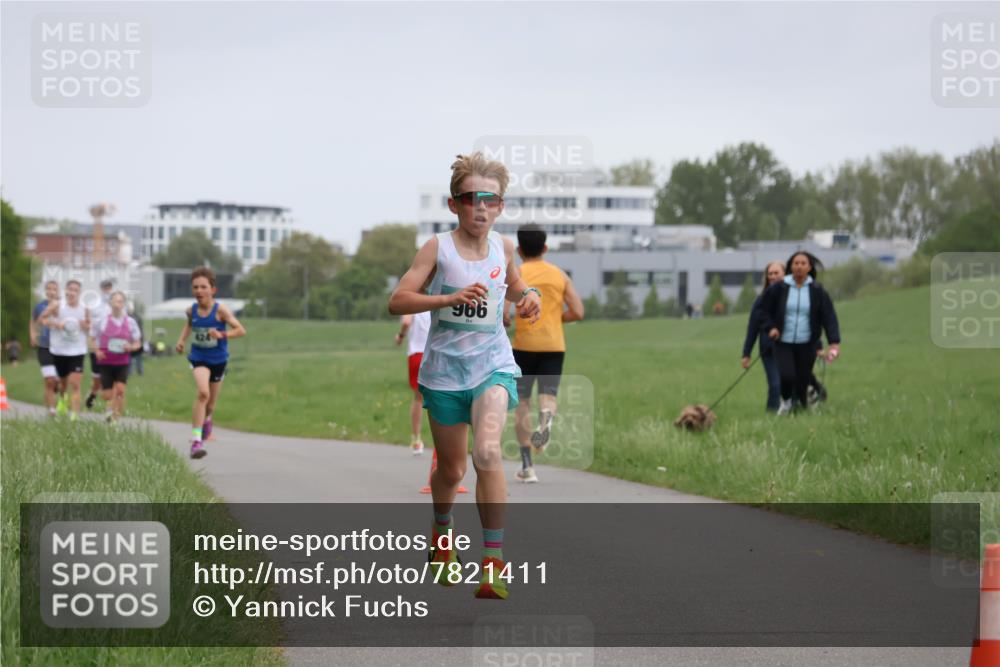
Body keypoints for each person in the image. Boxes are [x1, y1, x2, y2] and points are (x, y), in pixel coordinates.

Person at [388, 152, 541, 600]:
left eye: (489, 200)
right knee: (452, 470)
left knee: (488, 452)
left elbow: (512, 284)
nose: (480, 208)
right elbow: (398, 300)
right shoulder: (437, 248)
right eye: (471, 198)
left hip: (492, 364)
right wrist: (447, 299)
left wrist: (528, 294)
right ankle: (442, 532)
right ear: (455, 204)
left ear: (500, 206)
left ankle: (493, 563)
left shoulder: (504, 247)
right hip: (444, 373)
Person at [507, 223, 584, 483]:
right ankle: (546, 423)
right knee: (548, 397)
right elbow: (578, 311)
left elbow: (504, 312)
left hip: (523, 347)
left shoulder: (517, 273)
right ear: (545, 248)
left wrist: (509, 320)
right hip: (553, 346)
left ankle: (527, 466)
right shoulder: (559, 275)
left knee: (522, 404)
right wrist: (555, 318)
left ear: (519, 250)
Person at [175, 267, 246, 459]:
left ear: (212, 290)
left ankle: (207, 419)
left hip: (218, 360)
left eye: (203, 287)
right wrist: (181, 340)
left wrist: (222, 334)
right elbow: (189, 325)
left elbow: (240, 330)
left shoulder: (220, 310)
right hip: (199, 358)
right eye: (195, 287)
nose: (199, 291)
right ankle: (196, 441)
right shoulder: (191, 310)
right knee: (202, 393)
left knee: (211, 405)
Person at [760, 251, 841, 415]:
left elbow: (828, 316)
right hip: (783, 342)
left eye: (803, 263)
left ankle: (802, 410)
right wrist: (771, 327)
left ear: (809, 267)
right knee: (787, 376)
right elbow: (763, 311)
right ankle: (786, 401)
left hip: (807, 343)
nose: (799, 267)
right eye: (796, 263)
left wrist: (834, 342)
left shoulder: (817, 290)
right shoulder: (779, 288)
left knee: (803, 380)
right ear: (790, 267)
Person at [40, 279, 91, 420]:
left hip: (77, 351)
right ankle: (62, 399)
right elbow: (42, 319)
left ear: (79, 293)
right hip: (59, 351)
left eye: (75, 290)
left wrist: (85, 325)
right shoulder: (57, 305)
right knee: (63, 384)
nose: (72, 292)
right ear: (66, 291)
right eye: (70, 289)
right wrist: (56, 325)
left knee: (75, 383)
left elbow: (89, 326)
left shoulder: (84, 308)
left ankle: (74, 415)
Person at [89, 291, 142, 423]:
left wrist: (131, 347)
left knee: (120, 390)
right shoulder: (102, 321)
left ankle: (115, 420)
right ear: (110, 303)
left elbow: (138, 342)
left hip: (122, 362)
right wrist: (97, 351)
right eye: (116, 301)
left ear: (123, 304)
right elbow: (92, 338)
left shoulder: (130, 322)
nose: (118, 304)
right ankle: (109, 407)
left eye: (120, 301)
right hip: (105, 362)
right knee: (107, 395)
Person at [741, 261, 785, 412]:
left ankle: (792, 411)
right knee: (775, 384)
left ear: (785, 274)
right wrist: (746, 353)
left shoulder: (792, 298)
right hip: (768, 351)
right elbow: (752, 329)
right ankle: (772, 414)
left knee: (790, 382)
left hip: (788, 348)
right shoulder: (760, 301)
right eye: (770, 273)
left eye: (776, 273)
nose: (772, 276)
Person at [395, 311, 431, 454]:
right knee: (439, 396)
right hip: (434, 351)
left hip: (417, 352)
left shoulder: (412, 302)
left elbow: (406, 321)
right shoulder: (435, 299)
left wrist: (400, 336)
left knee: (418, 398)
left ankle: (416, 440)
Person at [30, 280, 61, 416]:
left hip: (61, 348)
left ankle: (55, 395)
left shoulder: (63, 305)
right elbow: (33, 321)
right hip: (44, 346)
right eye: (48, 289)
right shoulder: (40, 306)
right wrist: (32, 335)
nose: (51, 292)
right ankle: (52, 410)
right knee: (49, 380)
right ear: (45, 291)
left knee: (59, 381)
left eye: (54, 289)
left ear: (58, 291)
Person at [85, 279, 115, 410]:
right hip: (97, 346)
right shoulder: (93, 305)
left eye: (109, 287)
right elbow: (88, 325)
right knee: (97, 380)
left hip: (113, 348)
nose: (107, 290)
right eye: (105, 287)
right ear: (101, 288)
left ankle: (110, 410)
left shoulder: (117, 305)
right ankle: (92, 393)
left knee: (111, 380)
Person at [129, 305, 145, 377]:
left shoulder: (136, 318)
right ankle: (131, 372)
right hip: (132, 341)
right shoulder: (128, 318)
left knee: (138, 358)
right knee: (131, 358)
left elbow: (140, 330)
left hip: (137, 340)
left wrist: (141, 340)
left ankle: (139, 371)